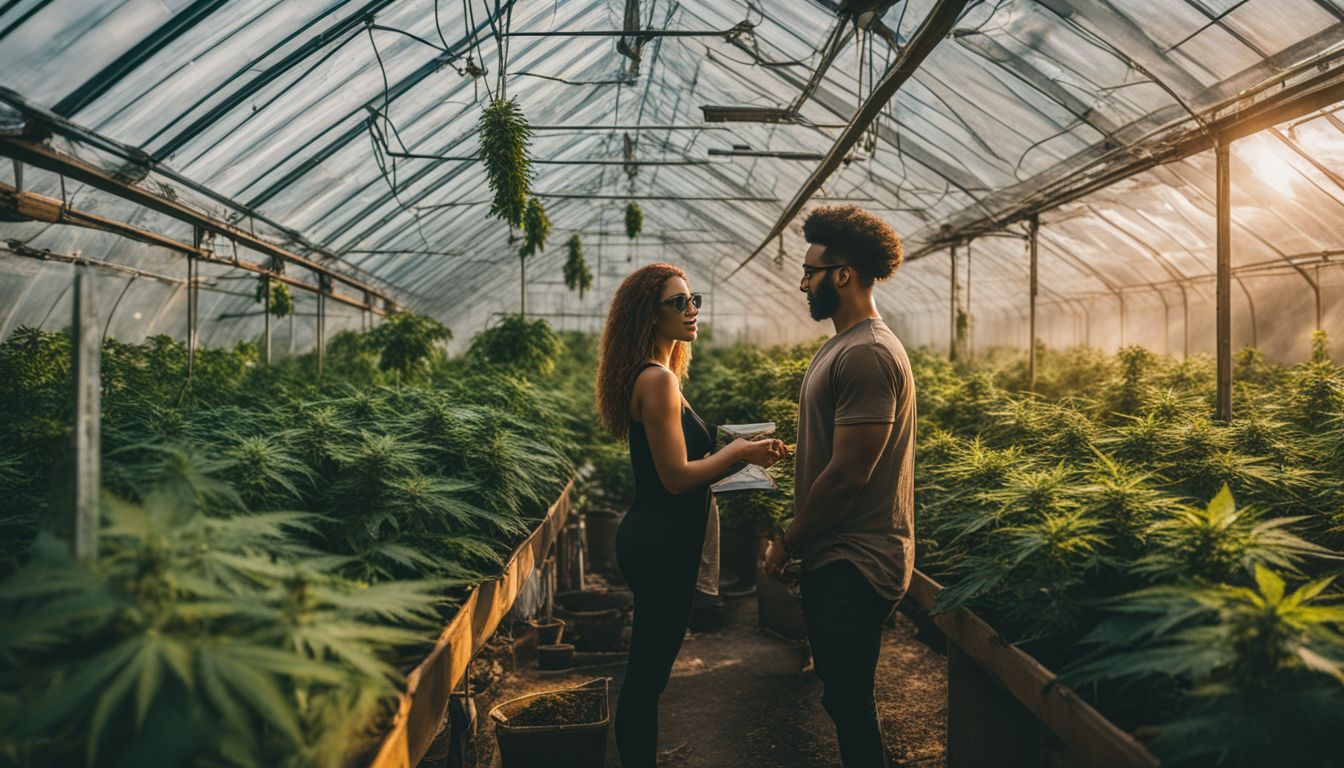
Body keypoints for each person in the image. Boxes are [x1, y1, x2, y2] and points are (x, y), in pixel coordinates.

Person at [596, 263, 786, 768]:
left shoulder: (659, 376)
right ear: (648, 314)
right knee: (646, 679)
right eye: (678, 303)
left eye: (693, 299)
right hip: (660, 544)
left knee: (649, 674)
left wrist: (738, 460)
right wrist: (739, 452)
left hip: (658, 536)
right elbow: (677, 477)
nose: (692, 310)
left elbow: (686, 474)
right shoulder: (656, 380)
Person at [763, 206, 917, 768]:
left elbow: (851, 474)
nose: (804, 282)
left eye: (811, 271)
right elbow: (845, 450)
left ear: (844, 274)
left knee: (849, 701)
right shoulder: (843, 346)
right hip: (841, 553)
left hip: (857, 558)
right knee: (842, 695)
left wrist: (788, 540)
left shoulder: (868, 353)